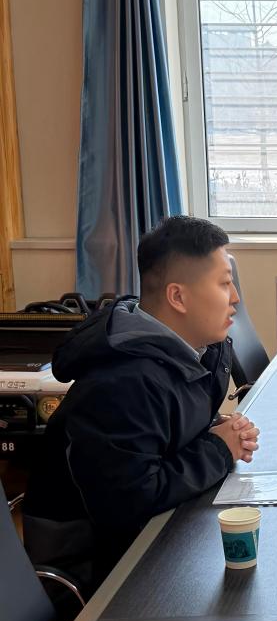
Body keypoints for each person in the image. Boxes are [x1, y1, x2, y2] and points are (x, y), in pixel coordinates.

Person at [23, 216, 260, 594]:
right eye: (224, 283)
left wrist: (219, 427)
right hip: (98, 573)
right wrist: (218, 449)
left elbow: (168, 429)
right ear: (178, 297)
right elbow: (130, 502)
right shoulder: (121, 384)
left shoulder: (197, 349)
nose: (235, 298)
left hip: (152, 537)